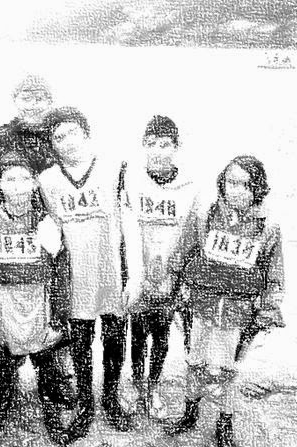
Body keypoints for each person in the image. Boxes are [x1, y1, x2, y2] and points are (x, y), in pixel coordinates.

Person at [164, 155, 285, 446]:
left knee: (227, 370)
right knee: (195, 361)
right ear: (222, 183)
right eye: (232, 182)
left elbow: (274, 275)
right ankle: (190, 412)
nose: (237, 190)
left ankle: (224, 422)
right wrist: (172, 286)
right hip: (201, 305)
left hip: (238, 312)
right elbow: (182, 251)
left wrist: (267, 310)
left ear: (257, 188)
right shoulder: (205, 215)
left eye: (245, 185)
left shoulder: (267, 226)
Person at [39, 107, 142, 444]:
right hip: (76, 277)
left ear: (86, 133)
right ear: (52, 144)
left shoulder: (114, 168)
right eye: (58, 136)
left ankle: (110, 398)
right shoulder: (47, 180)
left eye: (72, 132)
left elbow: (130, 225)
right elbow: (51, 228)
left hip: (111, 272)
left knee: (114, 340)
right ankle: (85, 403)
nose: (67, 141)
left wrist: (135, 276)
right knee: (80, 345)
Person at [0, 151, 71, 442]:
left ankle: (53, 418)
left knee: (47, 365)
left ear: (34, 183)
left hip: (39, 302)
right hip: (4, 302)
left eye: (24, 179)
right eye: (10, 179)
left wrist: (59, 320)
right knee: (3, 366)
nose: (17, 186)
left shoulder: (45, 221)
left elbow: (61, 272)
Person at [118, 116, 197, 418]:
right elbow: (127, 230)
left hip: (170, 274)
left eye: (165, 144)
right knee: (138, 334)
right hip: (140, 271)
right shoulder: (132, 180)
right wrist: (134, 275)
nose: (158, 151)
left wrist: (178, 274)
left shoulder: (189, 185)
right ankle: (138, 385)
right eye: (152, 144)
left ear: (176, 147)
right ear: (143, 146)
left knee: (161, 334)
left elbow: (191, 234)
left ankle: (153, 386)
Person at [0, 74, 56, 230]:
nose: (33, 105)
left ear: (49, 102)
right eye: (26, 99)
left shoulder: (59, 139)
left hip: (52, 223)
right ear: (15, 100)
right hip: (6, 226)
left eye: (39, 99)